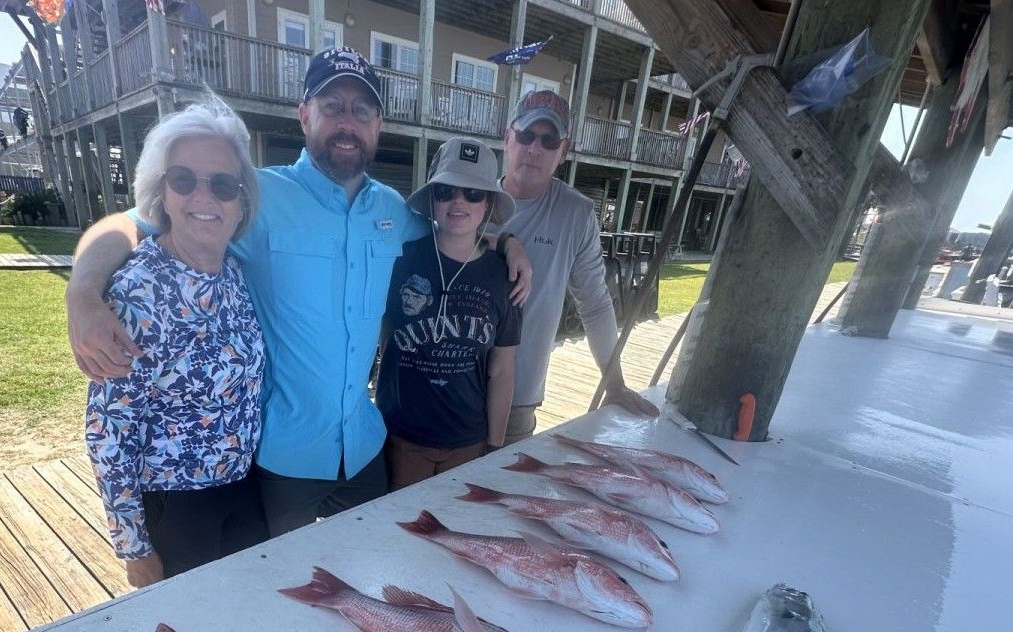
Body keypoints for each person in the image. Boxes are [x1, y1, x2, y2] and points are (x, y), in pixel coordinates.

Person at [65, 48, 531, 537]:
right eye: (332, 107)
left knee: (373, 558)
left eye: (362, 110)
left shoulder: (392, 211)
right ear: (304, 114)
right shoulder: (257, 198)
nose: (347, 122)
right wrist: (83, 294)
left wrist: (506, 240)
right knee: (285, 582)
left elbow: (454, 227)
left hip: (366, 445)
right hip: (284, 454)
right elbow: (128, 224)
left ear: (378, 125)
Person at [84, 97, 266, 587]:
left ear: (241, 201)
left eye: (223, 185)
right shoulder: (137, 291)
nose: (204, 197)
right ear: (162, 192)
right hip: (177, 511)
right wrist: (134, 548)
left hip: (243, 490)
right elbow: (108, 434)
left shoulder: (234, 271)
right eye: (184, 179)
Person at [497, 89, 659, 444]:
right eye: (526, 136)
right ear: (507, 138)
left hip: (518, 398)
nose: (534, 148)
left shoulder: (577, 214)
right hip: (454, 388)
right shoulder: (468, 199)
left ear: (563, 151)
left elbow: (596, 304)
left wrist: (614, 385)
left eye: (549, 140)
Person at [377, 137, 520, 489]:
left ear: (488, 205)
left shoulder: (505, 275)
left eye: (473, 193)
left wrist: (495, 445)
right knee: (402, 533)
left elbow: (502, 370)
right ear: (432, 198)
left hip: (468, 439)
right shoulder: (398, 258)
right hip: (402, 437)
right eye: (446, 191)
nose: (459, 201)